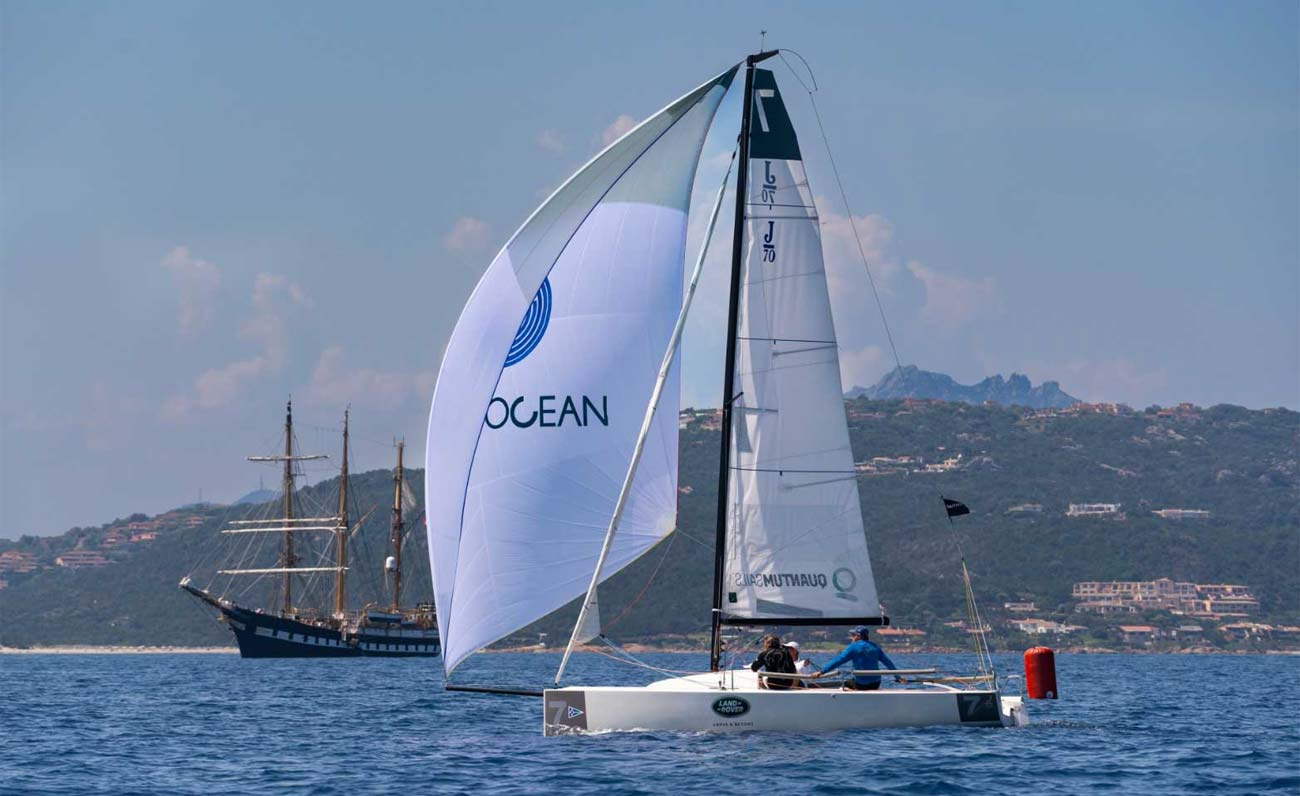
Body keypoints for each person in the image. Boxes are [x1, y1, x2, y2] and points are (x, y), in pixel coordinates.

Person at [809, 626, 902, 691]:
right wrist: (898, 677)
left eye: (853, 635)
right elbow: (888, 663)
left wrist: (821, 672)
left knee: (845, 684)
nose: (852, 637)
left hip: (861, 684)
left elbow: (838, 660)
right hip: (876, 683)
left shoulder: (853, 647)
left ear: (858, 636)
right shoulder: (875, 647)